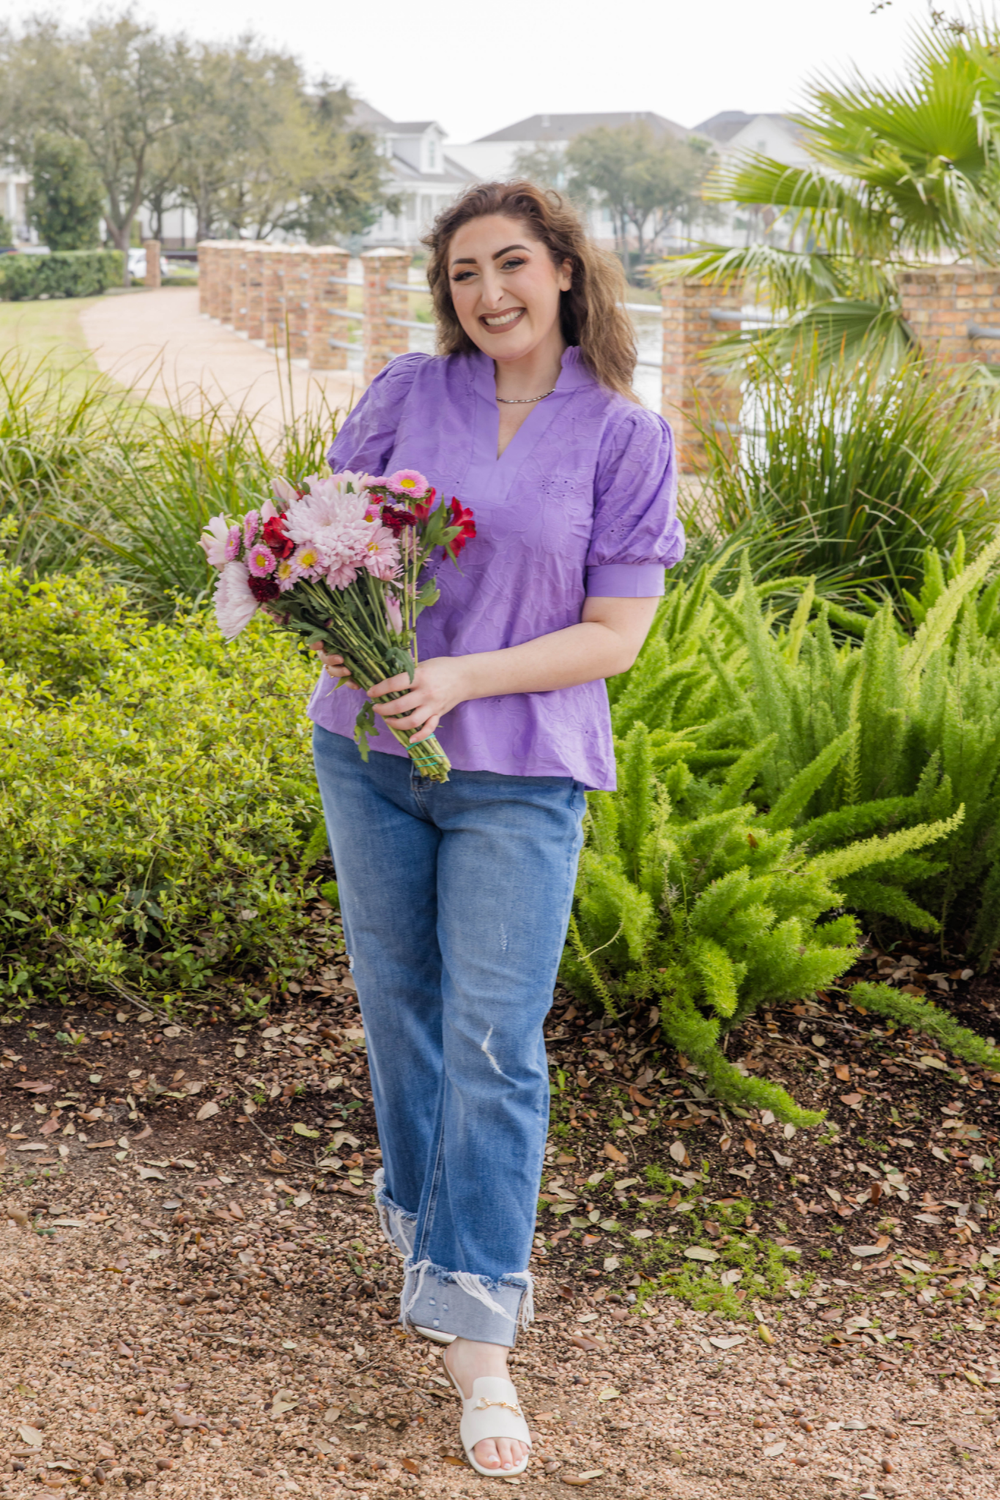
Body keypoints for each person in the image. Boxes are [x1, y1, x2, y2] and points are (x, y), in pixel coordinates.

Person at [309, 180, 684, 1477]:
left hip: (524, 769)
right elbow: (326, 541)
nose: (488, 294)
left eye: (510, 263)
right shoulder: (413, 388)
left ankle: (479, 1336)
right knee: (401, 1004)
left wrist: (462, 678)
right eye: (464, 272)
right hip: (366, 754)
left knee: (492, 1037)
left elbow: (616, 637)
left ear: (567, 270)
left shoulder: (626, 434)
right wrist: (321, 602)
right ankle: (424, 1227)